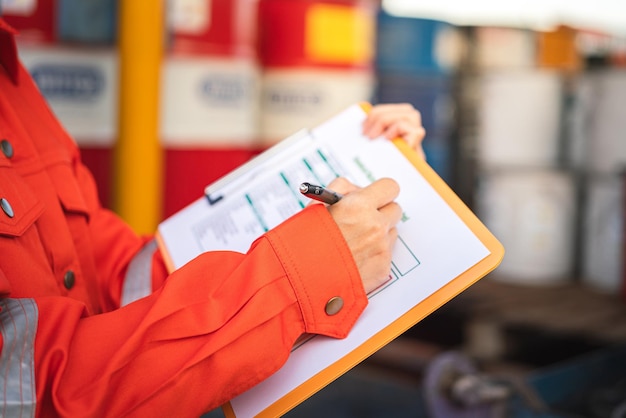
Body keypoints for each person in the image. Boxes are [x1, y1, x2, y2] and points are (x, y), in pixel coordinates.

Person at [0, 17, 426, 418]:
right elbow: (35, 391)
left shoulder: (11, 78)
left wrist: (365, 202)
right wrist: (311, 269)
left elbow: (110, 278)